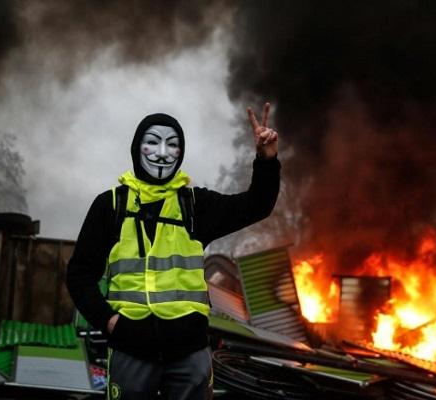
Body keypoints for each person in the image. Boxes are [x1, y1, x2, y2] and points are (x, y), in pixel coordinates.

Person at [66, 104, 279, 400]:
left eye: (173, 144)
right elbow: (79, 275)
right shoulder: (110, 205)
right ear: (137, 147)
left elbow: (256, 205)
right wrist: (110, 322)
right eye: (153, 142)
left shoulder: (195, 206)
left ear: (181, 153)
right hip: (131, 350)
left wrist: (266, 161)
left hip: (188, 353)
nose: (163, 153)